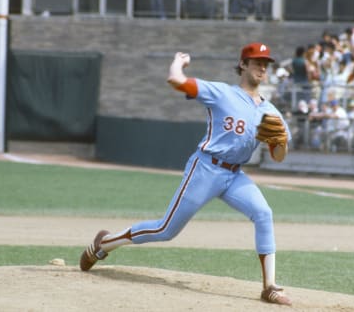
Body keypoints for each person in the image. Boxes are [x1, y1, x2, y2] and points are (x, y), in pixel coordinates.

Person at [79, 42, 293, 306]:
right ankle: (105, 243)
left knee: (263, 213)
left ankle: (269, 287)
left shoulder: (271, 112)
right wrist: (178, 63)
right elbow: (176, 81)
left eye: (266, 63)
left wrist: (280, 141)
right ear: (242, 65)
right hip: (206, 168)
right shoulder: (222, 93)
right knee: (165, 229)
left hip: (235, 175)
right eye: (257, 61)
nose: (262, 66)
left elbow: (278, 156)